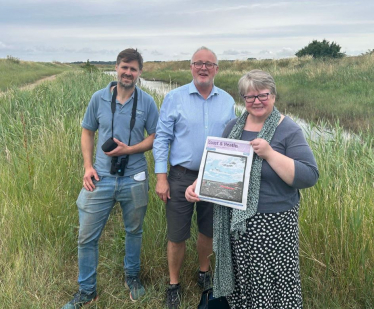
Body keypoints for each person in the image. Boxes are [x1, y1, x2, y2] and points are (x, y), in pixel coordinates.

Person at [186, 70, 319, 308]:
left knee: (270, 281)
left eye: (262, 95)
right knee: (244, 278)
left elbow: (309, 176)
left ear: (274, 96)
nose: (256, 101)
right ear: (243, 100)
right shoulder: (232, 128)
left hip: (274, 223)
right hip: (237, 223)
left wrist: (269, 153)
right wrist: (198, 185)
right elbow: (218, 167)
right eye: (250, 97)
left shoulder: (288, 129)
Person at [62, 48, 159, 309]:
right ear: (116, 68)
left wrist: (129, 150)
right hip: (101, 176)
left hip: (135, 176)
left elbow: (154, 137)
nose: (128, 72)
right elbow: (87, 131)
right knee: (86, 236)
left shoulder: (147, 102)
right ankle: (87, 291)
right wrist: (87, 166)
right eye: (124, 67)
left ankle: (132, 278)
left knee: (134, 231)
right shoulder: (98, 98)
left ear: (140, 72)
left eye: (134, 68)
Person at [153, 46, 236, 309]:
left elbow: (233, 140)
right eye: (198, 63)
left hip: (216, 174)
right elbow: (162, 139)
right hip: (180, 176)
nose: (203, 68)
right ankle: (174, 284)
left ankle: (203, 272)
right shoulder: (174, 98)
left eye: (209, 64)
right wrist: (161, 177)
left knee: (207, 230)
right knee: (177, 234)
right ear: (191, 67)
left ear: (216, 69)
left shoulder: (227, 100)